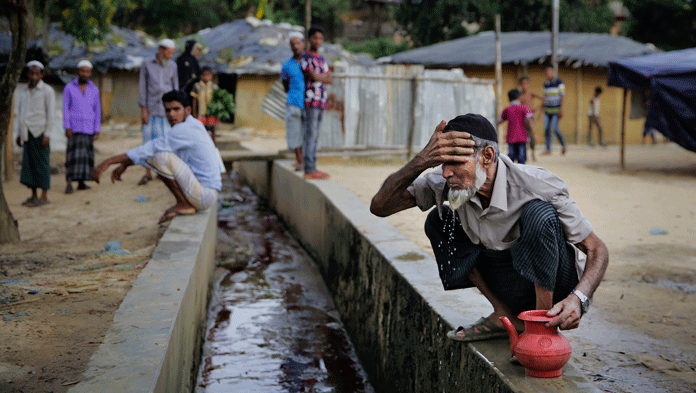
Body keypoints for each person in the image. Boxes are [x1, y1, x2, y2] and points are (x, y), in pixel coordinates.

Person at [370, 114, 608, 342]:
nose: (445, 172)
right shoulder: (449, 184)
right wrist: (420, 161)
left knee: (539, 214)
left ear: (487, 155)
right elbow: (380, 207)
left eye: (454, 162)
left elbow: (598, 249)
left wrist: (579, 299)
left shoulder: (537, 185)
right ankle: (505, 315)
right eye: (442, 162)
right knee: (439, 220)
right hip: (508, 277)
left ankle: (539, 330)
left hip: (557, 286)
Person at [92, 90, 221, 223]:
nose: (171, 114)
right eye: (168, 110)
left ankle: (183, 203)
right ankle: (184, 202)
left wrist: (107, 162)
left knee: (159, 156)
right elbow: (150, 151)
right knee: (157, 154)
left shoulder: (184, 129)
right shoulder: (193, 124)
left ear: (187, 110)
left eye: (176, 109)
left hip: (204, 195)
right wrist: (124, 164)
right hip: (206, 194)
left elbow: (151, 149)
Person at [14, 60, 55, 207]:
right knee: (29, 166)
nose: (33, 76)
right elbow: (21, 113)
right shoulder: (24, 91)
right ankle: (33, 195)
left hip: (40, 132)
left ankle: (43, 197)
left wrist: (48, 134)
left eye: (37, 73)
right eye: (31, 73)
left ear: (42, 75)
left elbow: (51, 114)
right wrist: (19, 133)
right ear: (27, 73)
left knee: (41, 165)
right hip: (27, 133)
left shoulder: (47, 91)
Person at [138, 38, 179, 185]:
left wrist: (176, 110)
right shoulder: (147, 64)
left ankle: (164, 172)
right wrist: (143, 109)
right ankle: (148, 172)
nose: (170, 56)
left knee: (167, 142)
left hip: (168, 112)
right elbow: (142, 87)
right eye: (168, 53)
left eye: (172, 53)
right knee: (148, 141)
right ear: (161, 50)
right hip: (151, 109)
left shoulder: (173, 66)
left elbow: (175, 88)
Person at [63, 60, 100, 194]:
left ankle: (82, 182)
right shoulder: (69, 88)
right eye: (82, 71)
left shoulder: (94, 89)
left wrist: (97, 129)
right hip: (74, 127)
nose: (84, 74)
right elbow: (65, 108)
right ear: (78, 72)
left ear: (90, 73)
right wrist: (67, 126)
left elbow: (97, 110)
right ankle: (69, 183)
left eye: (87, 71)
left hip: (89, 127)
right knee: (72, 157)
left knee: (86, 156)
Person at [301, 25, 332, 180]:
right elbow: (313, 77)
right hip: (311, 101)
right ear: (310, 39)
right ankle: (309, 168)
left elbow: (329, 78)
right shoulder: (306, 57)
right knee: (310, 135)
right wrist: (321, 77)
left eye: (320, 38)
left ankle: (313, 167)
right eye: (315, 37)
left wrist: (318, 76)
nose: (318, 41)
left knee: (315, 136)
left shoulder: (321, 59)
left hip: (321, 101)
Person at [281, 32, 306, 171]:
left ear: (303, 43)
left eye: (298, 43)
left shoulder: (310, 62)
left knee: (308, 134)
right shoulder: (287, 66)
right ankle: (300, 161)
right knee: (295, 133)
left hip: (309, 104)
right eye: (293, 44)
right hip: (293, 103)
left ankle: (308, 161)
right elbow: (285, 84)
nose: (296, 46)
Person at [498, 89, 536, 165]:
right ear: (519, 97)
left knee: (511, 157)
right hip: (522, 137)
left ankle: (511, 173)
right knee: (521, 158)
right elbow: (530, 121)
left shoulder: (507, 109)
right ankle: (521, 173)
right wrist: (534, 134)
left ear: (509, 99)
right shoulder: (524, 107)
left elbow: (500, 121)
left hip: (511, 137)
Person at [541, 63, 567, 155]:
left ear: (553, 72)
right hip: (547, 110)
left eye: (549, 71)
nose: (548, 73)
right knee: (546, 129)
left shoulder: (559, 82)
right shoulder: (546, 84)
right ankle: (548, 149)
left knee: (555, 129)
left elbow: (562, 96)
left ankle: (563, 144)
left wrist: (561, 109)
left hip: (556, 110)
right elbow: (544, 98)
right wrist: (541, 111)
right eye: (546, 71)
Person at [517, 76, 543, 162]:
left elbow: (544, 100)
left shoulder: (531, 94)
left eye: (526, 84)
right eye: (523, 84)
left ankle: (533, 152)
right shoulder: (519, 95)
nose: (524, 86)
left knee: (532, 135)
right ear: (520, 85)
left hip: (530, 117)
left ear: (528, 84)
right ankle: (523, 153)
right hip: (521, 118)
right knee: (522, 136)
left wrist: (538, 111)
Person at [190, 66, 219, 141]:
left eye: (208, 75)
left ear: (211, 76)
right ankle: (202, 143)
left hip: (211, 112)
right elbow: (194, 100)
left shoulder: (214, 87)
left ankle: (213, 145)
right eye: (204, 75)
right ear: (201, 76)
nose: (206, 77)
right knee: (201, 129)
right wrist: (194, 113)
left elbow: (217, 100)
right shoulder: (197, 86)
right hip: (201, 112)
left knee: (212, 129)